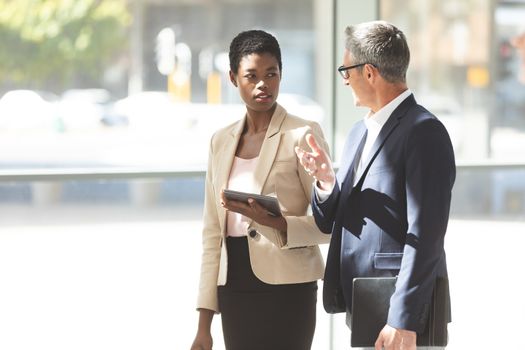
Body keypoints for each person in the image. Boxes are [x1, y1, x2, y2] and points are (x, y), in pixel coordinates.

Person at [295, 21, 455, 350]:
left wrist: (402, 319)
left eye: (346, 69)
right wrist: (326, 181)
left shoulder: (424, 132)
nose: (344, 79)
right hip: (363, 301)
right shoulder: (358, 133)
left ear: (369, 72)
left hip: (402, 310)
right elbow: (332, 223)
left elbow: (426, 234)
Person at [190, 29, 330, 350]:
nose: (262, 84)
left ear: (281, 75)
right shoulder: (220, 141)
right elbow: (213, 233)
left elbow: (331, 221)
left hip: (289, 286)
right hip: (234, 286)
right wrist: (203, 325)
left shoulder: (302, 134)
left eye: (271, 74)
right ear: (233, 78)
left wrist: (279, 224)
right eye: (251, 76)